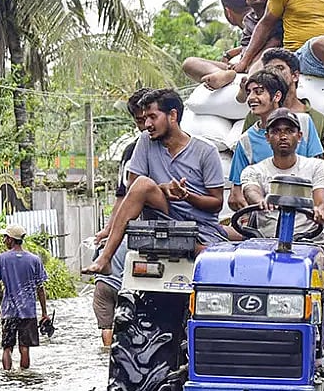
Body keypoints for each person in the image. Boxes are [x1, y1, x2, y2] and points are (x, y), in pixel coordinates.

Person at [83, 88, 227, 276]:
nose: (147, 124)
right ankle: (105, 258)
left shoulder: (205, 151)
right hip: (162, 218)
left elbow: (216, 204)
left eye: (153, 117)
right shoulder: (145, 141)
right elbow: (133, 187)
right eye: (144, 118)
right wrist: (162, 188)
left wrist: (186, 196)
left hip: (198, 227)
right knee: (143, 184)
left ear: (172, 116)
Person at [91, 89, 149, 347]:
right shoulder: (132, 151)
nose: (145, 125)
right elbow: (122, 199)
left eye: (149, 117)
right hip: (133, 235)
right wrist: (108, 230)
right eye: (139, 120)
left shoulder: (189, 149)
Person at [228, 70, 324, 210]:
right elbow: (237, 193)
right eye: (249, 92)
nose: (251, 98)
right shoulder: (246, 141)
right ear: (267, 137)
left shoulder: (304, 123)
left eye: (259, 92)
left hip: (305, 213)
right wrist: (258, 208)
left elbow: (318, 175)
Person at [238, 108, 324, 238]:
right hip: (265, 245)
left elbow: (321, 200)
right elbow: (251, 190)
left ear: (299, 136)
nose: (283, 136)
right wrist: (261, 201)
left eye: (289, 131)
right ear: (267, 137)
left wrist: (320, 210)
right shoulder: (254, 171)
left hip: (309, 242)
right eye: (276, 131)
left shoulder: (316, 167)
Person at [185, 0, 283, 82]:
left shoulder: (278, 13)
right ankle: (222, 75)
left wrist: (248, 64)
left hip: (265, 64)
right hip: (243, 68)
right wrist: (236, 64)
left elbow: (274, 43)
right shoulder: (248, 20)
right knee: (189, 63)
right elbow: (246, 46)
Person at [0, 225, 49, 371]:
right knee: (25, 348)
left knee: (7, 347)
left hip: (9, 311)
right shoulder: (35, 260)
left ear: (10, 239)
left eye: (5, 237)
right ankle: (24, 376)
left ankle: (7, 375)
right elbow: (40, 288)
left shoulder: (1, 259)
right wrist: (44, 312)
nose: (4, 240)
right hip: (28, 311)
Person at [261, 47, 324, 140]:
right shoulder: (260, 113)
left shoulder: (317, 119)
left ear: (295, 76)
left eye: (280, 68)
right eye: (269, 70)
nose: (274, 73)